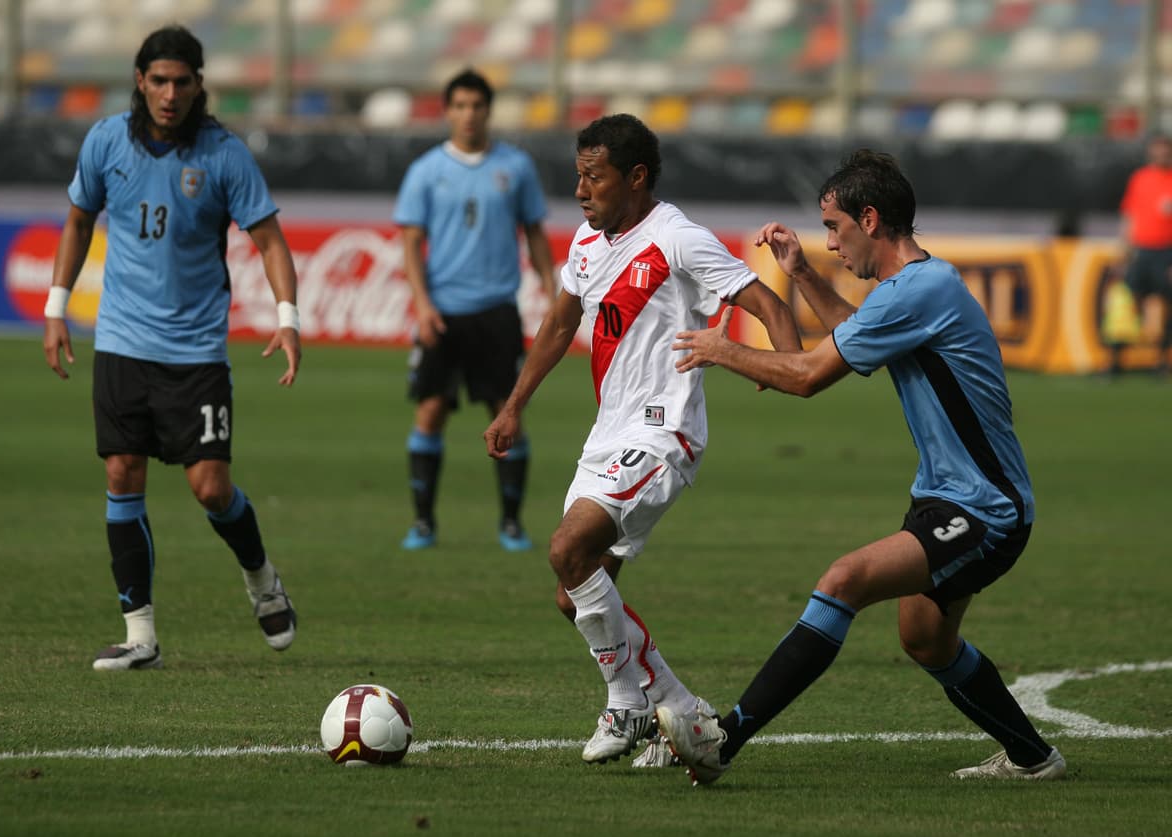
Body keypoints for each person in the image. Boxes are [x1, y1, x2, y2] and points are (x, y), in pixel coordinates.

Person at [659, 149, 1065, 784]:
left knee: (843, 579)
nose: (830, 243)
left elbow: (809, 375)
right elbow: (854, 335)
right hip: (946, 496)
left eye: (834, 228)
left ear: (869, 220)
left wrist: (723, 349)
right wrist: (801, 273)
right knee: (925, 639)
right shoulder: (914, 289)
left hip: (986, 507)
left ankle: (723, 740)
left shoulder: (921, 290)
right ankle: (1034, 759)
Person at [483, 114, 802, 765]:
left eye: (594, 177)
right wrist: (514, 406)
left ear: (635, 177)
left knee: (568, 548)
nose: (580, 190)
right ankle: (682, 714)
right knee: (573, 593)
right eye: (578, 176)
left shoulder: (677, 238)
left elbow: (767, 304)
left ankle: (628, 704)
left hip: (664, 433)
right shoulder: (586, 242)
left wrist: (785, 365)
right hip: (609, 434)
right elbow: (558, 324)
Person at [41, 25, 301, 671]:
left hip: (196, 350)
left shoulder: (223, 154)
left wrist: (287, 318)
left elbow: (270, 240)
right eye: (159, 80)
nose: (169, 93)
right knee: (121, 473)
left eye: (182, 82)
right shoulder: (106, 141)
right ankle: (141, 636)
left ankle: (262, 578)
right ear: (140, 81)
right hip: (122, 340)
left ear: (197, 85)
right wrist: (55, 307)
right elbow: (78, 221)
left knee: (211, 489)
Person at [393, 69, 558, 552]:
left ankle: (511, 523)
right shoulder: (426, 171)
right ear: (448, 111)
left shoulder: (516, 167)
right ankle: (423, 523)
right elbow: (410, 243)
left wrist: (552, 291)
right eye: (460, 106)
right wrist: (422, 305)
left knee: (507, 413)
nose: (469, 114)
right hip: (443, 312)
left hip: (496, 311)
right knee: (430, 412)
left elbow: (535, 233)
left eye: (477, 106)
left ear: (488, 111)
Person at [1117, 133, 1172, 374]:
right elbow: (1129, 215)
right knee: (1126, 301)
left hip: (1166, 251)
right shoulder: (1140, 178)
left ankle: (1162, 359)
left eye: (1165, 150)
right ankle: (1117, 358)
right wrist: (1124, 250)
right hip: (1142, 250)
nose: (1161, 154)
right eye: (1157, 149)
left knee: (1166, 305)